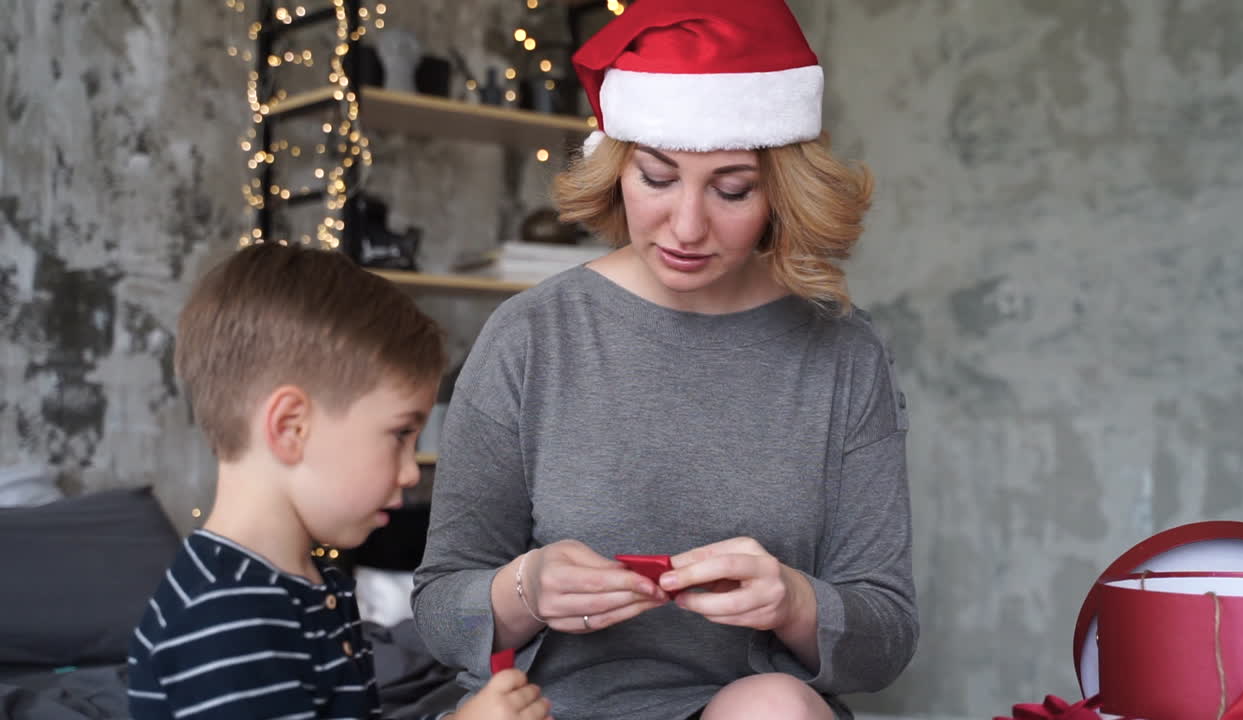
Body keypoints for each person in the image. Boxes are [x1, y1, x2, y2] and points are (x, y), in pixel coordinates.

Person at [412, 1, 917, 718]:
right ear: (617, 167)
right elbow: (439, 612)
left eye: (732, 189)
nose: (686, 227)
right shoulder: (530, 336)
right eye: (657, 178)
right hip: (548, 708)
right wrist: (524, 589)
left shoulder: (843, 355)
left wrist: (795, 601)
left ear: (780, 190)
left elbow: (886, 641)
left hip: (756, 710)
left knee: (773, 705)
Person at [128, 244, 551, 720]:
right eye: (399, 434)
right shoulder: (227, 619)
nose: (411, 472)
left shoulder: (301, 585)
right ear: (291, 427)